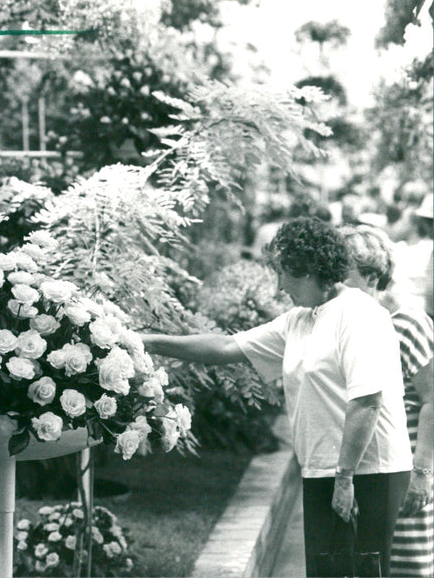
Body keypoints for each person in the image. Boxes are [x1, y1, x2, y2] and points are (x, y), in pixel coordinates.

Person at [141, 217, 413, 577]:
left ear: (312, 268)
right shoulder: (301, 318)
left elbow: (367, 402)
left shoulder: (360, 314)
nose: (279, 284)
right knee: (326, 570)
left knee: (357, 571)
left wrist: (344, 479)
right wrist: (147, 341)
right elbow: (225, 346)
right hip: (325, 467)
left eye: (284, 273)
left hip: (367, 471)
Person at [340, 225, 433, 578]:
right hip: (363, 469)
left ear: (370, 274)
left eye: (342, 270)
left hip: (405, 466)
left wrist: (422, 474)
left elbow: (432, 400)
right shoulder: (347, 324)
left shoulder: (406, 323)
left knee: (404, 567)